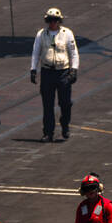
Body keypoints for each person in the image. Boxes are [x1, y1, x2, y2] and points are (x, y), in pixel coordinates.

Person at [29, 8, 78, 142]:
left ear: (59, 21)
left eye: (55, 20)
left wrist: (74, 70)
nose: (52, 23)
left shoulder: (67, 34)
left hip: (63, 72)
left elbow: (73, 53)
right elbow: (35, 52)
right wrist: (33, 70)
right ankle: (48, 132)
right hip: (47, 73)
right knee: (47, 105)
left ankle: (65, 125)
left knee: (66, 103)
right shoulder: (41, 34)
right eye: (50, 20)